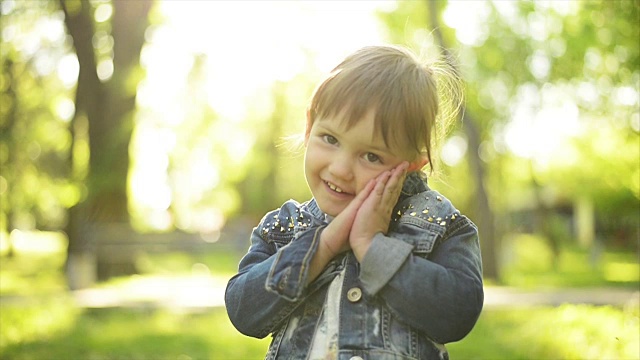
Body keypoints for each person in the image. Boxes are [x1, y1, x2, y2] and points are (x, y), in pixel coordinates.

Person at [225, 44, 483, 360]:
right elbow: (243, 311)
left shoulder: (440, 225)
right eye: (330, 139)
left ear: (413, 164)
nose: (340, 169)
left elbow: (456, 316)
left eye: (371, 156)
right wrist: (323, 246)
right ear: (309, 125)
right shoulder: (283, 227)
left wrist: (371, 246)